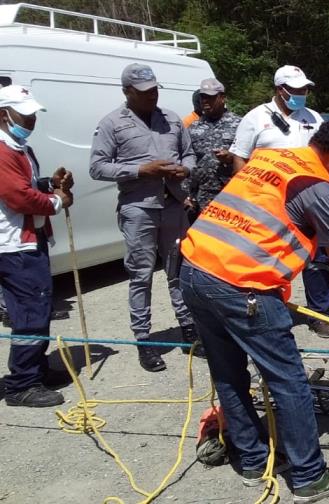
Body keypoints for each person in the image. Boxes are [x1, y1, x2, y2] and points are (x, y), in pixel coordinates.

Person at [180, 119, 329, 501]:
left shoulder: (273, 158)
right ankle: (309, 476)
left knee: (228, 373)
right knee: (288, 380)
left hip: (194, 269)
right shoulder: (318, 189)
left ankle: (253, 460)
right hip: (243, 286)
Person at [89, 63, 201, 372]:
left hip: (174, 205)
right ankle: (144, 340)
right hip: (139, 207)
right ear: (127, 92)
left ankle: (188, 328)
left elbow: (189, 154)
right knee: (140, 275)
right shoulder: (112, 123)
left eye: (154, 90)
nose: (152, 95)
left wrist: (185, 169)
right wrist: (141, 170)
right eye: (144, 92)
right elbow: (97, 167)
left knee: (178, 269)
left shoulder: (172, 119)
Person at [229, 65, 329, 337]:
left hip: (310, 200)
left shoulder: (313, 118)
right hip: (270, 204)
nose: (302, 94)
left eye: (305, 90)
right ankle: (269, 312)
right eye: (297, 90)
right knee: (269, 259)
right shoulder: (255, 118)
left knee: (317, 258)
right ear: (281, 90)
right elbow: (239, 157)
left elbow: (326, 157)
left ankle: (320, 313)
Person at [0, 85, 74, 406]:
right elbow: (18, 197)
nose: (31, 121)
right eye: (24, 114)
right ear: (4, 115)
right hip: (14, 243)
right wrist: (57, 200)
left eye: (32, 114)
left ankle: (35, 369)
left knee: (34, 307)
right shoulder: (2, 150)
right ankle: (23, 383)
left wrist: (47, 184)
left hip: (26, 240)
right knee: (32, 309)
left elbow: (27, 185)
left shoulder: (18, 147)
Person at [183, 78, 242, 221]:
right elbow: (186, 159)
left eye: (210, 97)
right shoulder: (193, 127)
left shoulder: (239, 124)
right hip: (199, 197)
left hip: (228, 195)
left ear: (222, 98)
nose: (205, 101)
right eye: (202, 97)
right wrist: (185, 194)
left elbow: (249, 158)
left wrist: (231, 158)